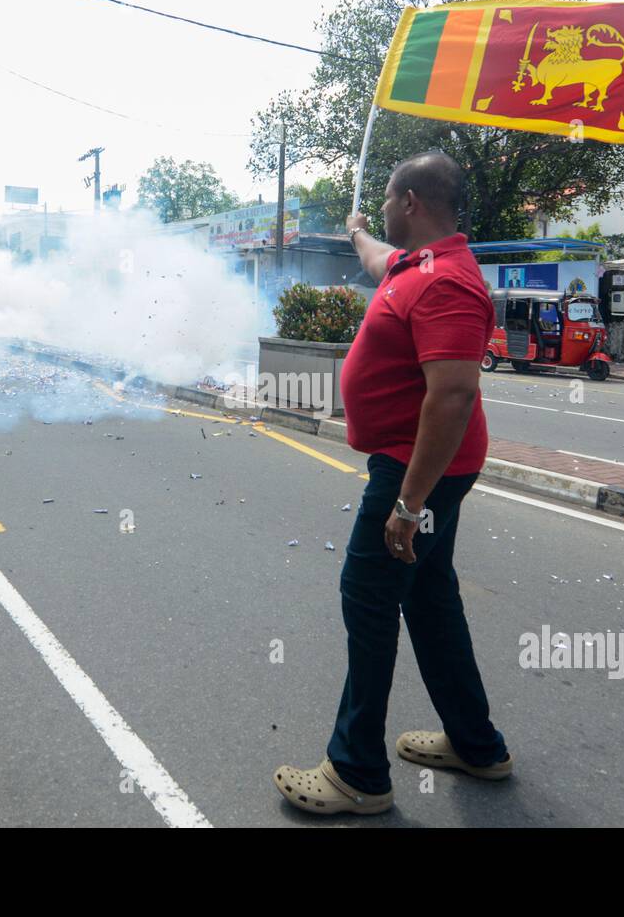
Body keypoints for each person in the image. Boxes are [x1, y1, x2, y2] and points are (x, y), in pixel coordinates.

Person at [272, 151, 511, 816]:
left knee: (369, 595)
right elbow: (379, 259)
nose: (379, 211)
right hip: (418, 468)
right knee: (429, 598)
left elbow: (455, 395)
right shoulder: (415, 264)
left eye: (383, 202)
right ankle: (476, 745)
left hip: (418, 474)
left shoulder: (448, 283)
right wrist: (354, 232)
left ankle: (356, 773)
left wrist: (408, 504)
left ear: (410, 203)